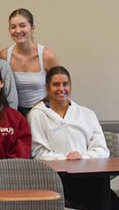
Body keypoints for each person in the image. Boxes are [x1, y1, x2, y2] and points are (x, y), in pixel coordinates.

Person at [28, 66, 116, 208]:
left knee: (109, 200)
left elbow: (102, 150)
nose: (61, 89)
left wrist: (82, 157)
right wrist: (65, 159)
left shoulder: (87, 114)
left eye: (65, 84)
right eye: (56, 84)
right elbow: (38, 153)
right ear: (47, 87)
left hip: (90, 177)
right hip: (57, 180)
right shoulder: (37, 115)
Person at [0, 8, 60, 116]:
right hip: (14, 113)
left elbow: (60, 87)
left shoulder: (47, 56)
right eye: (13, 27)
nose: (17, 31)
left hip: (42, 112)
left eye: (22, 26)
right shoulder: (4, 56)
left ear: (32, 27)